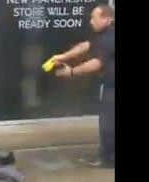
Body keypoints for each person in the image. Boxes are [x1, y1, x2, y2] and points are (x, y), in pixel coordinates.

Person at [53, 4, 115, 167]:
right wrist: (63, 56)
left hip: (113, 87)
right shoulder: (103, 34)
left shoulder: (110, 38)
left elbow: (96, 63)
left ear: (108, 19)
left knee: (108, 123)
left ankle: (107, 160)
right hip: (110, 85)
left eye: (95, 18)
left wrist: (71, 72)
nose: (91, 21)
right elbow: (85, 46)